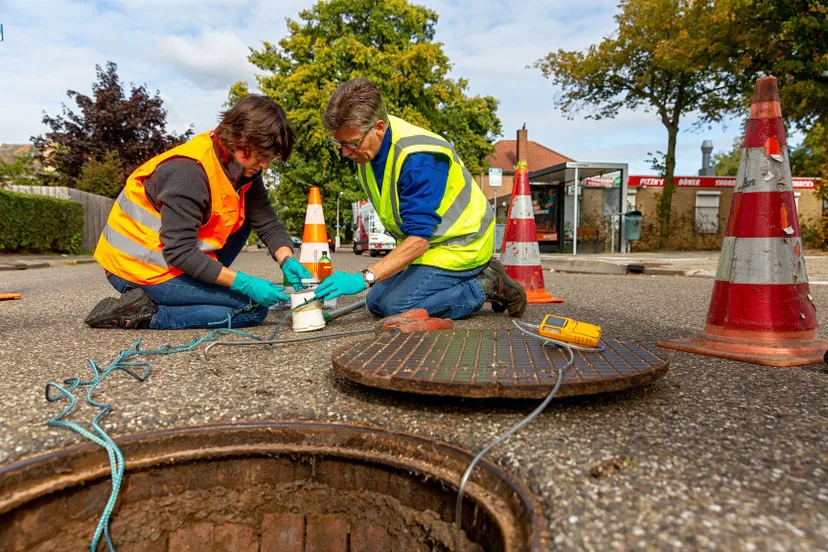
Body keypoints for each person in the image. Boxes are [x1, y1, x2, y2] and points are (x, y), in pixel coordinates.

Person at [85, 95, 312, 330]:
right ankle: (144, 314)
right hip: (136, 268)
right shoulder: (188, 171)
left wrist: (286, 259)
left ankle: (182, 296)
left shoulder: (244, 171)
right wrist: (243, 283)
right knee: (252, 308)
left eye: (270, 158)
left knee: (246, 218)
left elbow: (267, 222)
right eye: (261, 156)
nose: (265, 165)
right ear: (238, 139)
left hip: (172, 260)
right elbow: (180, 251)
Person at [314, 78, 526, 319]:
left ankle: (487, 284)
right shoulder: (367, 150)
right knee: (375, 303)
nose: (344, 152)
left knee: (398, 308)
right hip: (430, 247)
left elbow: (419, 239)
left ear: (379, 127)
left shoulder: (418, 158)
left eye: (351, 143)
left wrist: (365, 277)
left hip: (462, 246)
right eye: (339, 143)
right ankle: (467, 281)